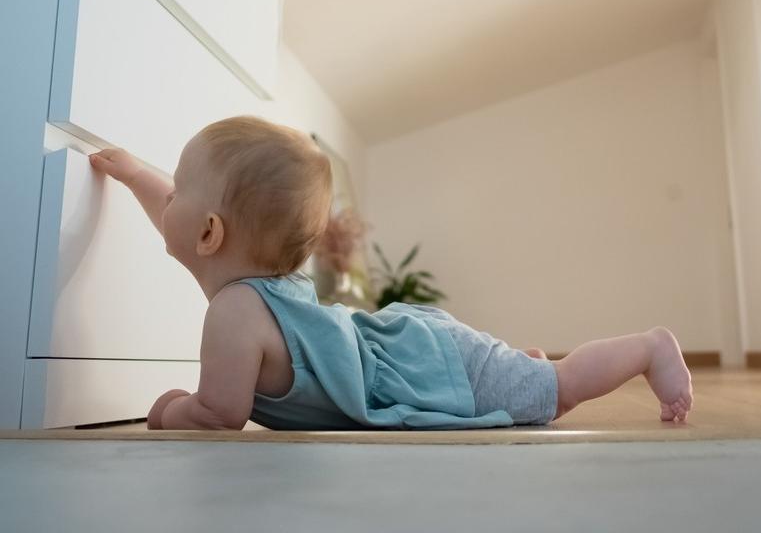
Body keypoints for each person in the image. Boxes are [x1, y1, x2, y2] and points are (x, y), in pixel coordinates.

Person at [89, 114, 693, 431]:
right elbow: (179, 216)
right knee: (517, 377)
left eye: (177, 187)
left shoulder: (234, 312)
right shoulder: (243, 287)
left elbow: (218, 415)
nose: (167, 196)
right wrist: (136, 175)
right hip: (416, 351)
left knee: (557, 391)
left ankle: (648, 348)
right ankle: (512, 368)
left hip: (425, 365)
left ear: (209, 234)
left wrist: (167, 409)